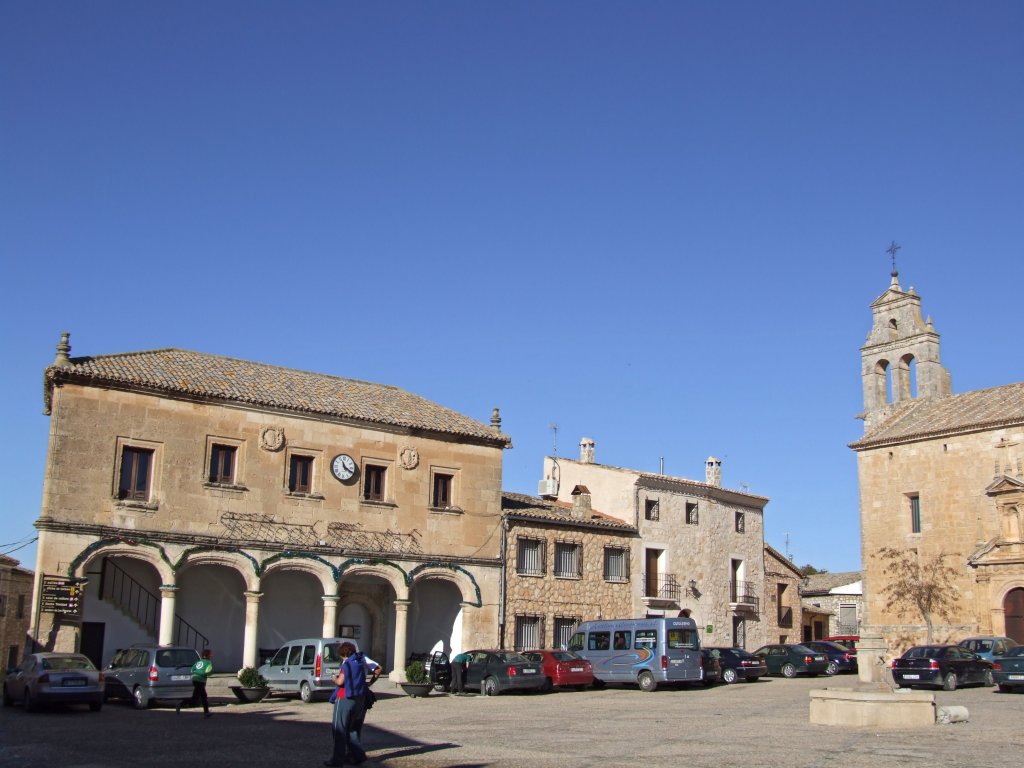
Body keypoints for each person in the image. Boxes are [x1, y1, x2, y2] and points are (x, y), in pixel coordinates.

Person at [325, 642, 373, 767]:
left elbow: (341, 681)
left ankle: (337, 760)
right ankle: (358, 755)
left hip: (344, 698)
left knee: (339, 729)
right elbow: (377, 668)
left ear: (343, 653)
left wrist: (334, 679)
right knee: (352, 730)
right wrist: (371, 682)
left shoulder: (347, 664)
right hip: (359, 698)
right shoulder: (360, 661)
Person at [177, 648, 214, 717]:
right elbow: (207, 671)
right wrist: (208, 673)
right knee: (197, 698)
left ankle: (206, 712)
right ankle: (181, 704)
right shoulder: (208, 662)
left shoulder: (199, 662)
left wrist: (196, 673)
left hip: (195, 679)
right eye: (210, 655)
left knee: (202, 696)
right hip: (201, 680)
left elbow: (192, 670)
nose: (211, 656)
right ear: (208, 655)